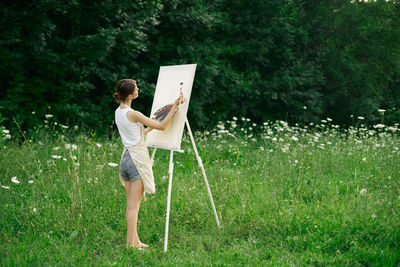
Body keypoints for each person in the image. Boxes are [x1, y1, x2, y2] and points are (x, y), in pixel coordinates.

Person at [113, 78, 184, 250]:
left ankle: (135, 241)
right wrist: (175, 106)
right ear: (130, 95)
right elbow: (162, 126)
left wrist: (149, 127)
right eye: (136, 88)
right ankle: (130, 244)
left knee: (131, 206)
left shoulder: (119, 111)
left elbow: (138, 134)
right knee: (133, 208)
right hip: (136, 160)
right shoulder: (134, 113)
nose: (138, 90)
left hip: (126, 159)